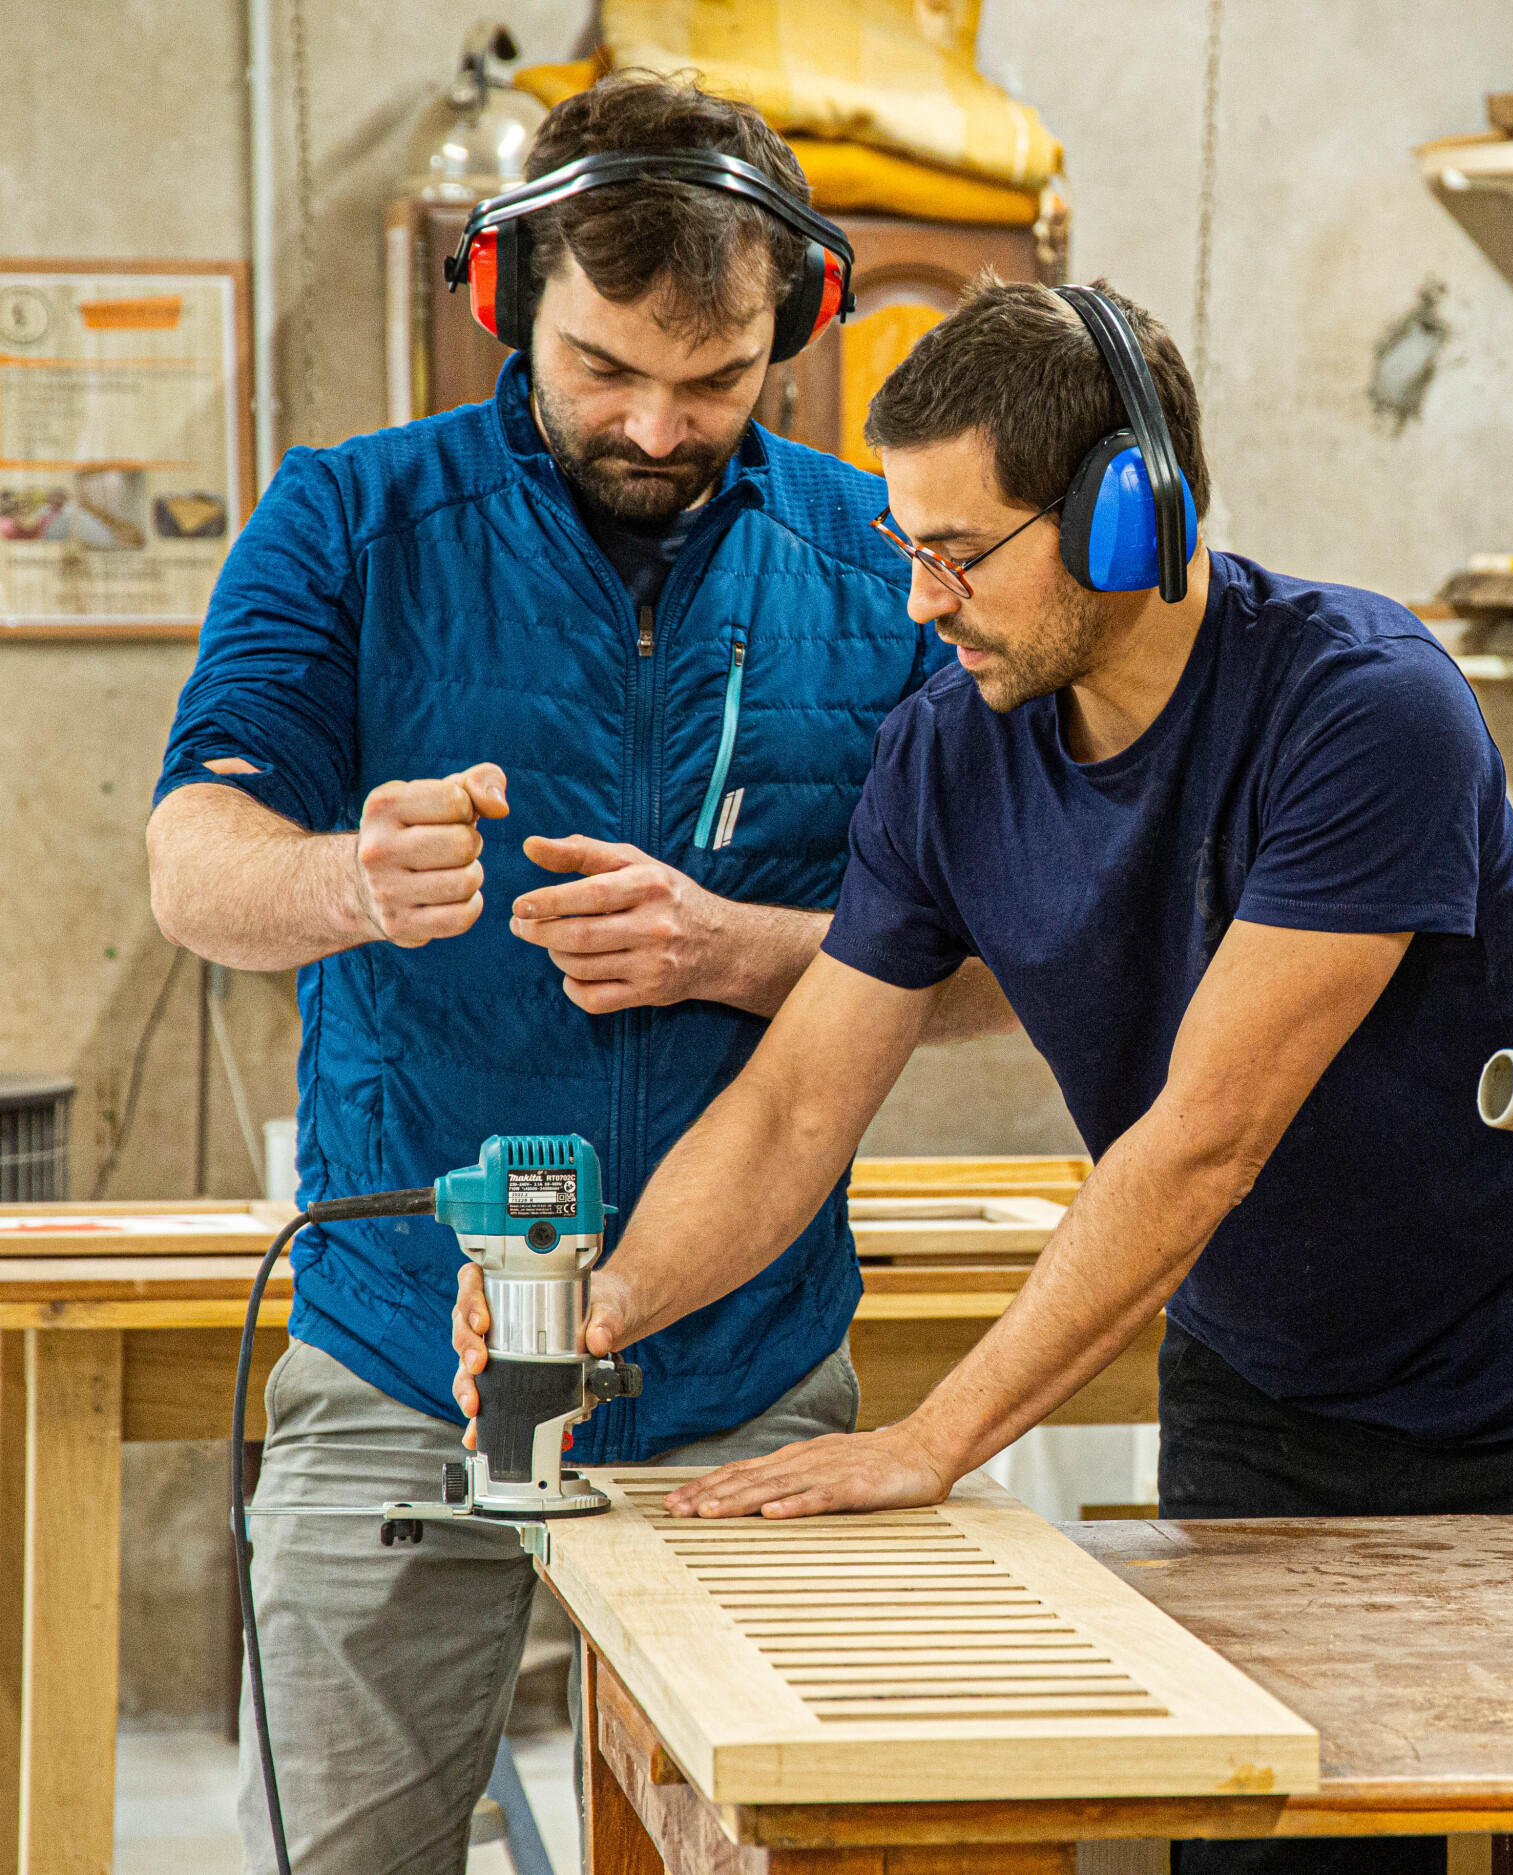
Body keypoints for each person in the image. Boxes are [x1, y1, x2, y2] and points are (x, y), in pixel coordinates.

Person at [453, 278, 1513, 1875]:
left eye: (963, 553)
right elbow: (800, 1102)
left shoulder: (1363, 712)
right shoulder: (949, 747)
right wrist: (600, 1310)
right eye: (904, 548)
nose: (924, 602)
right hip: (1263, 1395)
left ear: (1133, 515)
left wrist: (934, 1441)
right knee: (1273, 1848)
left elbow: (1203, 1144)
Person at [148, 74, 1007, 1872]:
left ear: (802, 324)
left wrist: (753, 949)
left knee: (777, 1849)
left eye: (716, 382)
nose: (656, 423)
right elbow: (191, 868)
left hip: (750, 1380)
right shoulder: (352, 526)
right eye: (604, 367)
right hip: (402, 1366)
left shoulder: (883, 571)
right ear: (504, 302)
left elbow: (1024, 962)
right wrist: (349, 882)